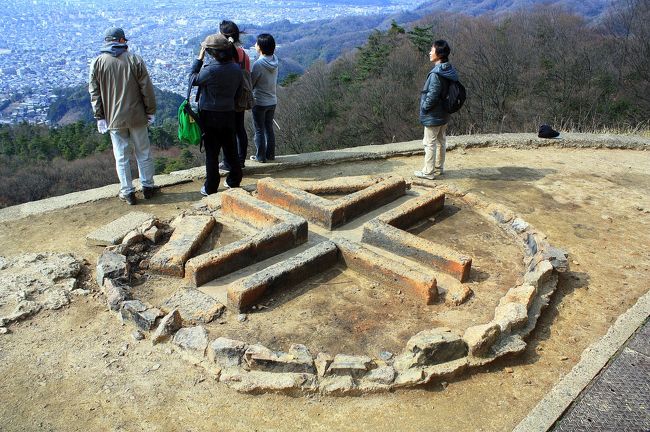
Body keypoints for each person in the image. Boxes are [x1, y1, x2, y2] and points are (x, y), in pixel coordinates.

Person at [89, 27, 157, 205]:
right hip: (137, 116)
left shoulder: (97, 62)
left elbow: (94, 93)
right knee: (143, 152)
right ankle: (148, 186)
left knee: (121, 156)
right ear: (120, 41)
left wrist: (100, 117)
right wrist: (151, 110)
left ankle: (127, 192)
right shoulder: (134, 59)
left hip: (113, 118)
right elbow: (146, 89)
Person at [189, 33, 243, 196]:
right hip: (229, 113)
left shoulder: (211, 70)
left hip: (210, 115)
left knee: (212, 153)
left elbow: (192, 79)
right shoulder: (236, 68)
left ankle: (211, 187)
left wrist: (199, 58)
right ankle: (234, 180)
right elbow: (238, 91)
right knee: (231, 149)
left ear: (211, 53)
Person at [414, 39, 459, 181]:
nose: (429, 52)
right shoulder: (448, 70)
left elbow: (432, 95)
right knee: (441, 141)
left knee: (430, 143)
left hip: (433, 115)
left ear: (439, 54)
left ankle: (428, 172)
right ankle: (439, 168)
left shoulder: (435, 74)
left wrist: (424, 107)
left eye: (432, 50)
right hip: (444, 113)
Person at [218, 20, 251, 171]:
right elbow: (248, 76)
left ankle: (228, 163)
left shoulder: (222, 55)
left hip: (226, 97)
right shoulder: (243, 54)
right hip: (240, 96)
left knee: (226, 131)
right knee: (239, 129)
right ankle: (240, 161)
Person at [250, 33, 278, 163]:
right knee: (269, 128)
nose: (255, 45)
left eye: (256, 43)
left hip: (260, 101)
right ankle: (270, 155)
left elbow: (252, 83)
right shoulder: (275, 60)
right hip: (272, 100)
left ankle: (260, 157)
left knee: (259, 130)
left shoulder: (258, 64)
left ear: (260, 47)